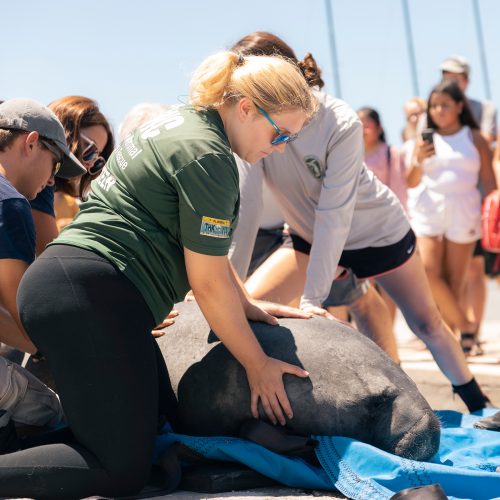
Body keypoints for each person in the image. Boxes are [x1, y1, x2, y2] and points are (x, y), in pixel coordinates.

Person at [0, 52, 316, 498]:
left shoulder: (182, 124)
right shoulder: (207, 155)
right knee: (120, 471)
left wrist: (246, 302)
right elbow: (204, 284)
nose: (279, 146)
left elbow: (202, 249)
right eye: (279, 133)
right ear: (246, 108)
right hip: (89, 294)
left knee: (156, 424)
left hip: (83, 289)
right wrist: (257, 363)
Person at [228, 31, 490, 413]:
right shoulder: (252, 118)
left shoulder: (339, 119)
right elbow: (247, 206)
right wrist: (228, 287)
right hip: (306, 236)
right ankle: (356, 293)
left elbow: (335, 214)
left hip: (377, 235)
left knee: (427, 324)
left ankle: (479, 403)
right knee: (247, 302)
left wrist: (313, 300)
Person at [0, 98, 86, 449]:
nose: (53, 179)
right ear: (30, 142)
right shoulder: (9, 203)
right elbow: (27, 318)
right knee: (48, 411)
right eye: (54, 163)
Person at [407, 79, 497, 345]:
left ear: (459, 106)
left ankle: (453, 338)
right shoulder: (424, 139)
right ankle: (466, 325)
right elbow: (410, 180)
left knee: (456, 279)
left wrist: (492, 211)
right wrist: (418, 159)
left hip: (465, 208)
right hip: (430, 208)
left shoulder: (475, 137)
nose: (438, 111)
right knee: (427, 271)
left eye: (445, 105)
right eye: (434, 106)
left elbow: (489, 181)